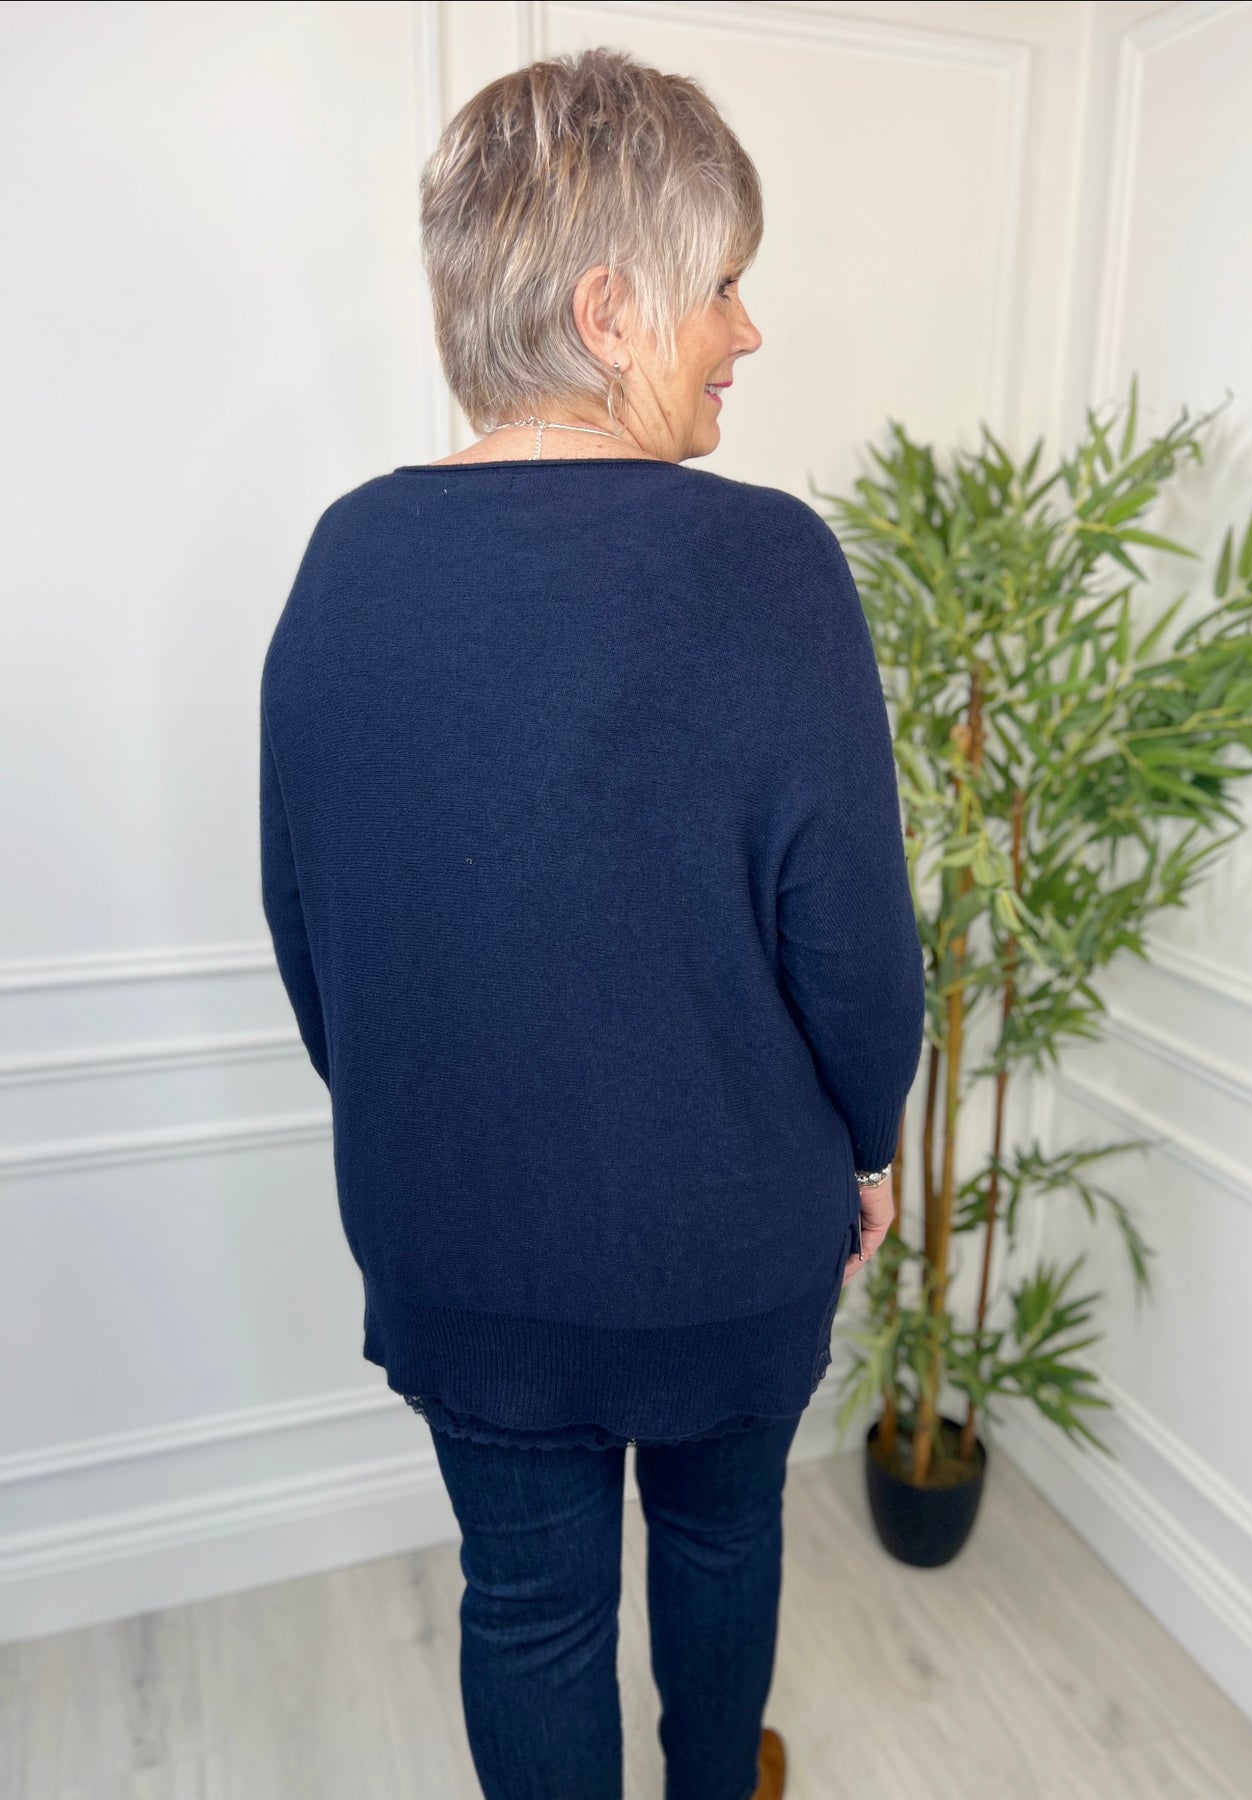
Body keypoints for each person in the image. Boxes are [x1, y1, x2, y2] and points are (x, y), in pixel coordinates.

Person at [259, 43, 925, 1800]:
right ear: (611, 309)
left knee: (529, 1605)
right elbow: (855, 954)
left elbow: (314, 943)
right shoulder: (771, 565)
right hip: (729, 1241)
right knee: (720, 1539)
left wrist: (441, 1140)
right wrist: (866, 1144)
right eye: (722, 286)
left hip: (457, 1243)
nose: (747, 331)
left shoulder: (342, 564)